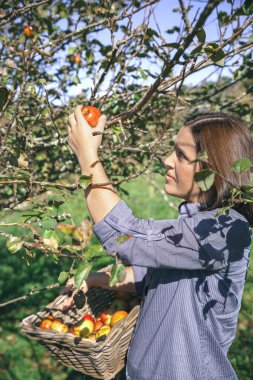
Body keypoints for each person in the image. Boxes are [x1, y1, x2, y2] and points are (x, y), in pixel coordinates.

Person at [64, 107, 252, 380]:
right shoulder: (196, 225)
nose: (166, 160)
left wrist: (87, 157)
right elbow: (159, 274)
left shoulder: (224, 230)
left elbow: (125, 235)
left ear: (213, 169)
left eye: (181, 156)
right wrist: (94, 279)